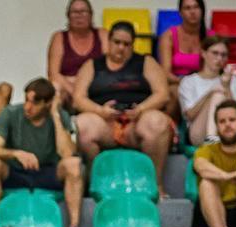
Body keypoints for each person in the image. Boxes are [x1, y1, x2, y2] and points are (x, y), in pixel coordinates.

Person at [0, 77, 84, 227]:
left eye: (35, 102)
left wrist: (56, 116)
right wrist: (16, 153)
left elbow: (67, 153)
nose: (28, 106)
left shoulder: (60, 116)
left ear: (47, 103)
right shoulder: (11, 113)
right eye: (27, 100)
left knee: (73, 165)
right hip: (16, 172)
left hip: (47, 172)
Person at [72, 21, 172, 189]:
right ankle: (94, 183)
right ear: (108, 42)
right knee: (81, 124)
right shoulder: (92, 65)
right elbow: (78, 99)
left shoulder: (146, 62)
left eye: (126, 44)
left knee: (158, 122)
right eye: (117, 42)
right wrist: (100, 111)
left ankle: (155, 185)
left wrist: (141, 109)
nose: (121, 48)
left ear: (132, 45)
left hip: (137, 121)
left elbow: (163, 94)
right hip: (104, 123)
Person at [178, 35, 236, 147]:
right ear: (203, 53)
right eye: (215, 53)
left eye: (223, 55)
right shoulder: (189, 81)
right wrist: (209, 94)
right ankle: (212, 141)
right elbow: (189, 115)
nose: (219, 58)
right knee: (217, 95)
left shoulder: (233, 81)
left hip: (228, 131)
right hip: (198, 133)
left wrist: (227, 88)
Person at [46, 0, 108, 108]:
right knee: (55, 87)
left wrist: (83, 85)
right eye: (75, 12)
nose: (79, 16)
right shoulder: (59, 37)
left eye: (83, 11)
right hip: (68, 91)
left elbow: (110, 67)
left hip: (96, 87)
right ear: (68, 16)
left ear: (91, 14)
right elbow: (53, 74)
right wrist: (76, 93)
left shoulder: (103, 34)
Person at [158, 0, 207, 119]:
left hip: (203, 83)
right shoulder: (169, 35)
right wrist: (185, 83)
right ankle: (172, 134)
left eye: (196, 7)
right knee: (174, 95)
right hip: (176, 83)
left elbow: (216, 70)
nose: (192, 12)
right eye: (187, 8)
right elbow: (165, 73)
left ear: (202, 10)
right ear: (180, 12)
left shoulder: (210, 37)